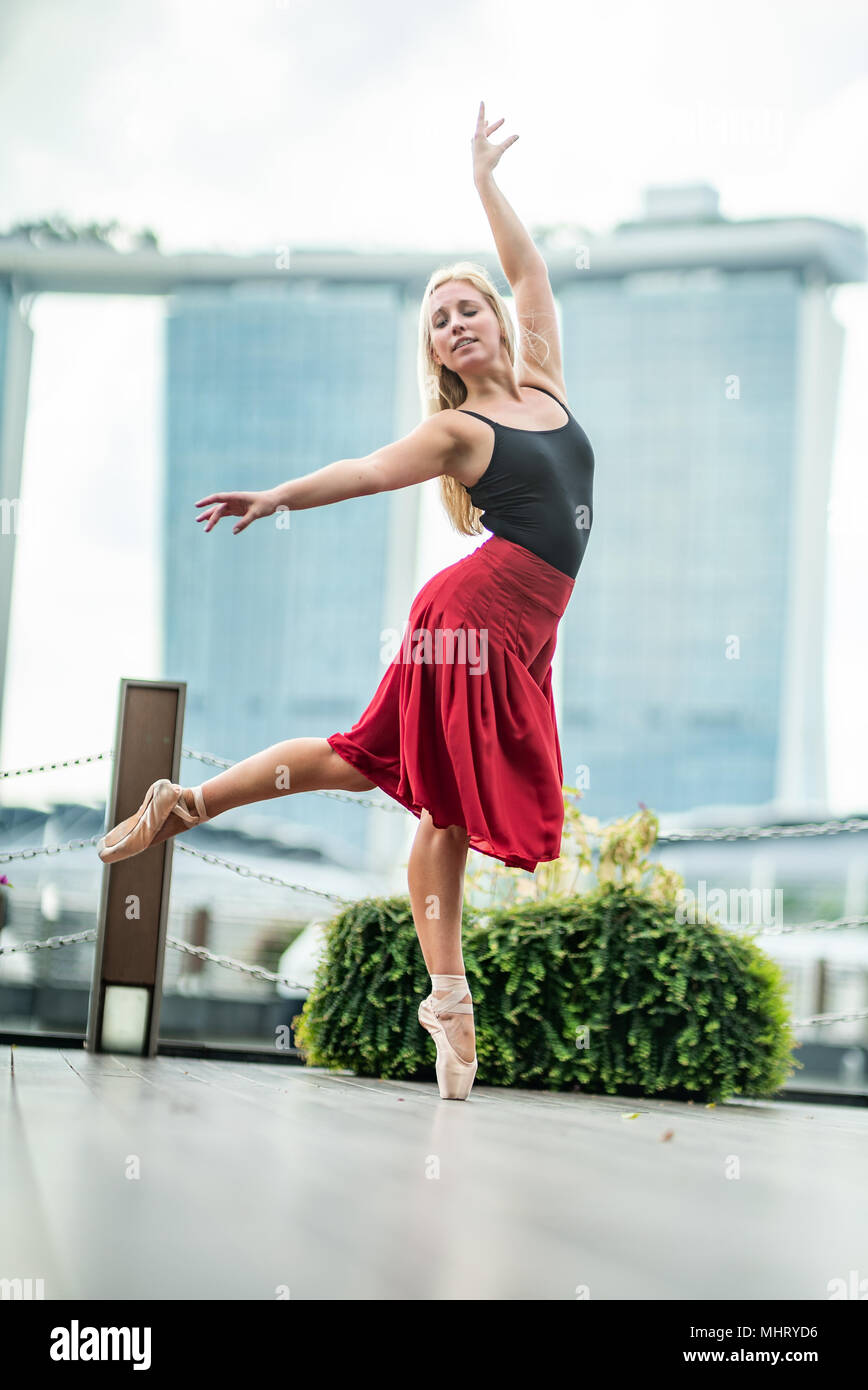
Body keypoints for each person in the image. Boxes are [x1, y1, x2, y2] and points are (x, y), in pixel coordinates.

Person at [97, 101, 595, 1102]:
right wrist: (279, 495)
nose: (460, 324)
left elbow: (531, 268)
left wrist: (482, 184)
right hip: (472, 617)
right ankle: (448, 1008)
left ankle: (186, 803)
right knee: (438, 803)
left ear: (494, 318)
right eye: (440, 323)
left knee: (363, 763)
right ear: (439, 355)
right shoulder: (456, 434)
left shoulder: (543, 378)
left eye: (467, 306)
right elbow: (367, 469)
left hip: (523, 630)